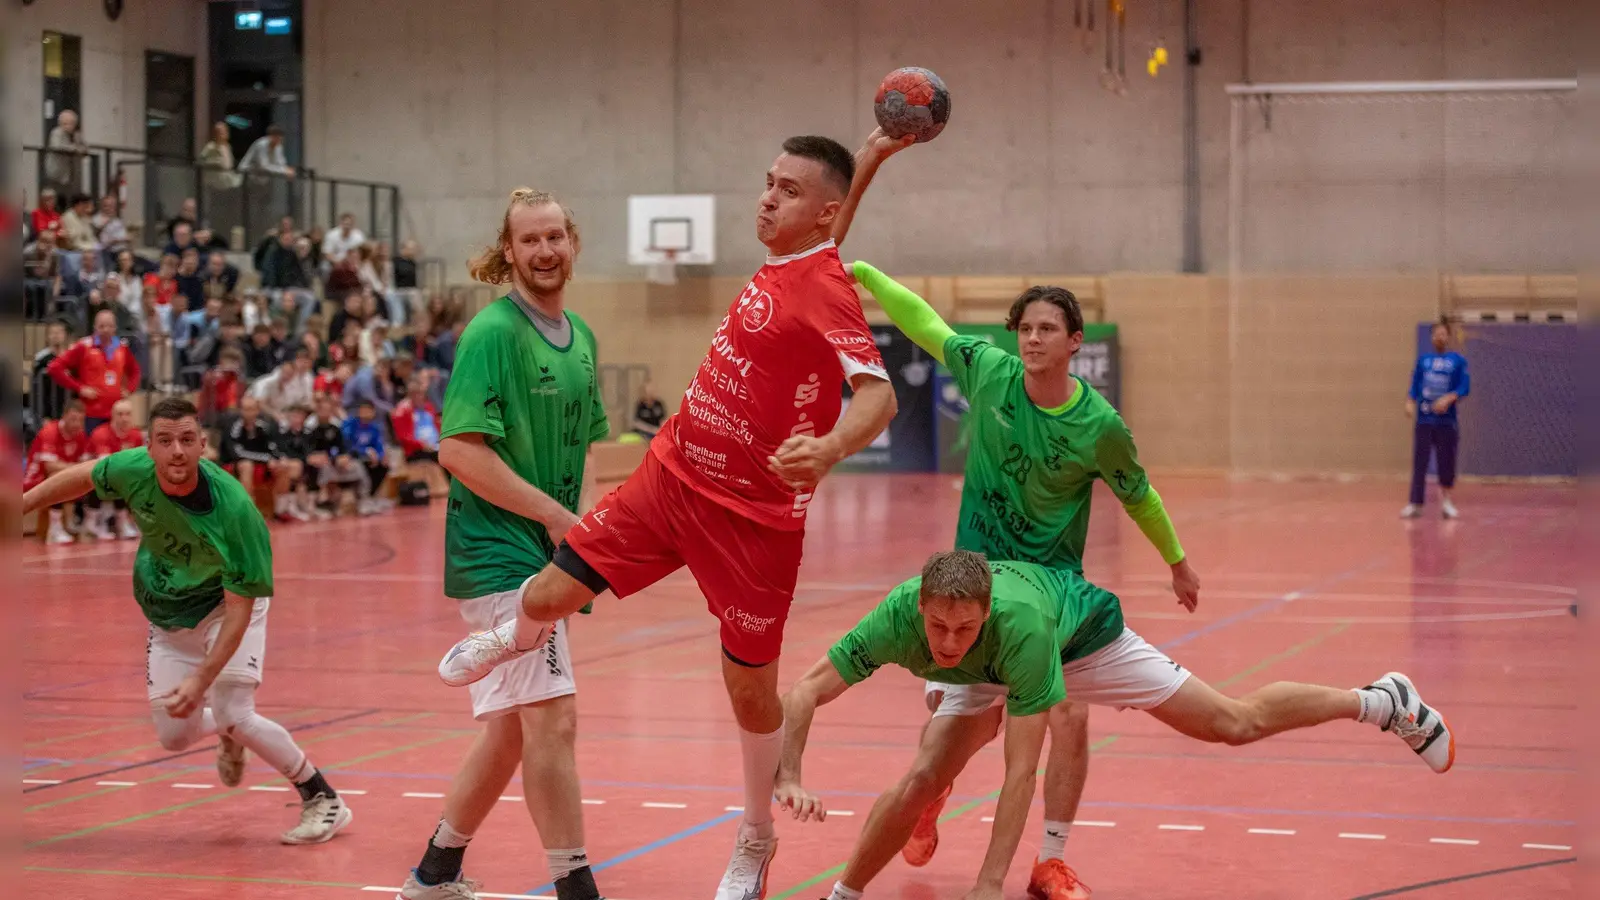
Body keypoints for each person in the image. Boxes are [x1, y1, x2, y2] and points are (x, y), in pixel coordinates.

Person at [437, 131, 909, 899]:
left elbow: (880, 395)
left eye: (788, 191)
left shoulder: (825, 285)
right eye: (768, 182)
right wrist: (871, 158)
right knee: (548, 594)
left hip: (755, 521)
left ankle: (755, 835)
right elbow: (824, 231)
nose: (766, 197)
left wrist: (826, 450)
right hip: (674, 475)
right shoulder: (793, 255)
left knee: (751, 692)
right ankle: (507, 636)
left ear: (818, 214)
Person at [778, 550, 1455, 900]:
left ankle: (1380, 701)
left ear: (984, 612)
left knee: (1233, 722)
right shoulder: (900, 619)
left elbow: (1021, 773)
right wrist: (790, 774)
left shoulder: (1020, 630)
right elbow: (807, 689)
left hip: (1086, 639)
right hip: (1001, 658)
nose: (948, 641)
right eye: (938, 626)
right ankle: (845, 892)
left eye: (963, 626)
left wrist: (989, 886)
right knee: (924, 774)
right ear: (918, 607)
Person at [842, 263, 1201, 898]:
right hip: (975, 592)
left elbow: (1139, 496)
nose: (1033, 338)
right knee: (961, 732)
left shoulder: (1099, 427)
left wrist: (1175, 561)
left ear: (1074, 341)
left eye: (1047, 328)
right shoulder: (990, 372)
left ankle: (1050, 860)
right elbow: (925, 322)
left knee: (1071, 715)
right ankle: (930, 795)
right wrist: (868, 275)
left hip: (1051, 594)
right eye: (1025, 328)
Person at [395, 189, 609, 900]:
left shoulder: (581, 336)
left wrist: (581, 556)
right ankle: (575, 889)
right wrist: (556, 521)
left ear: (572, 242)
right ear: (509, 252)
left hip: (547, 558)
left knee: (509, 732)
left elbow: (586, 453)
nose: (545, 251)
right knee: (555, 717)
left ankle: (435, 873)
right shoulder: (491, 334)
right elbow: (458, 452)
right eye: (530, 240)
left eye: (555, 236)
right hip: (497, 550)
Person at [20, 397, 353, 844]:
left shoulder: (234, 512)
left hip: (226, 608)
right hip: (166, 611)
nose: (176, 450)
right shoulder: (132, 469)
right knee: (174, 737)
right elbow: (77, 479)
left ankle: (323, 798)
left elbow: (238, 614)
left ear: (203, 447)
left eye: (187, 440)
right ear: (149, 448)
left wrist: (201, 680)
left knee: (235, 709)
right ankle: (233, 733)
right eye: (165, 441)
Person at [1403, 320, 1470, 519]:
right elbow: (1415, 384)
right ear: (1432, 337)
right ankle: (1415, 503)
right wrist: (1409, 401)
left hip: (1446, 423)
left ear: (1448, 337)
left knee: (1446, 462)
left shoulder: (1458, 361)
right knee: (1420, 462)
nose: (1440, 337)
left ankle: (1447, 502)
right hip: (1424, 421)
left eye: (1443, 334)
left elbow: (1464, 387)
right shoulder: (1423, 361)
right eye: (1436, 334)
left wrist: (1448, 399)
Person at [23, 400, 92, 544]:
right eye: (73, 419)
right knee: (58, 477)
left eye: (80, 420)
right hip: (35, 479)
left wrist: (75, 469)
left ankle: (88, 522)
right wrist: (75, 468)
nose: (77, 424)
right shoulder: (50, 432)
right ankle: (54, 529)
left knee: (91, 475)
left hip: (59, 473)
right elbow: (50, 466)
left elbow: (85, 464)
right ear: (64, 416)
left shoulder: (80, 435)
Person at [84, 398, 146, 540]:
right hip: (89, 474)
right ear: (112, 415)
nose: (124, 418)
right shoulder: (101, 433)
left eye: (128, 414)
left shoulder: (136, 435)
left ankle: (125, 522)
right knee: (109, 476)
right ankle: (94, 523)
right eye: (120, 414)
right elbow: (105, 465)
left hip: (118, 474)